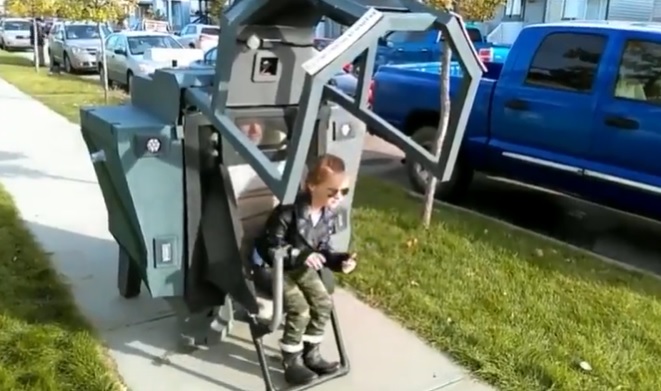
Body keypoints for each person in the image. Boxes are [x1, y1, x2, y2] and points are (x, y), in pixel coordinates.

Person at [252, 154, 357, 386]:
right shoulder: (287, 213)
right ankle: (291, 360)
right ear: (312, 186)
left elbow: (323, 250)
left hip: (298, 266)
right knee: (300, 308)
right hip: (272, 268)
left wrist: (340, 261)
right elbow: (271, 247)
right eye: (332, 192)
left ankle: (311, 353)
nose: (338, 197)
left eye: (344, 192)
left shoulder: (327, 216)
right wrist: (302, 255)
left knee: (323, 302)